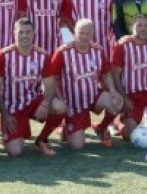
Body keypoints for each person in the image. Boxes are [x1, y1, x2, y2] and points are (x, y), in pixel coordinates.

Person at [0, 18, 61, 156]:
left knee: (59, 106)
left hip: (33, 101)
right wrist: (4, 114)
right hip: (12, 107)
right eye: (20, 32)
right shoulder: (4, 55)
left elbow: (49, 84)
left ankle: (41, 139)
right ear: (14, 33)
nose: (24, 35)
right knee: (15, 151)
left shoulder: (43, 55)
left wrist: (46, 103)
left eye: (28, 32)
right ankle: (9, 129)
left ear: (34, 34)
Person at [51, 19, 124, 150]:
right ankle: (66, 127)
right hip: (73, 102)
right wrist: (62, 100)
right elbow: (53, 78)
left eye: (88, 34)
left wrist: (113, 90)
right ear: (75, 32)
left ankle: (101, 128)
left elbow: (106, 73)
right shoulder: (63, 52)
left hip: (92, 95)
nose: (84, 37)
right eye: (81, 33)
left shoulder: (98, 50)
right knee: (77, 146)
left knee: (117, 102)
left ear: (93, 34)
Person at [112, 15, 147, 141]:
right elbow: (115, 74)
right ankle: (118, 123)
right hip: (131, 95)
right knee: (130, 136)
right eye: (139, 25)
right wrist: (124, 98)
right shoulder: (122, 46)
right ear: (132, 28)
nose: (143, 28)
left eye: (146, 25)